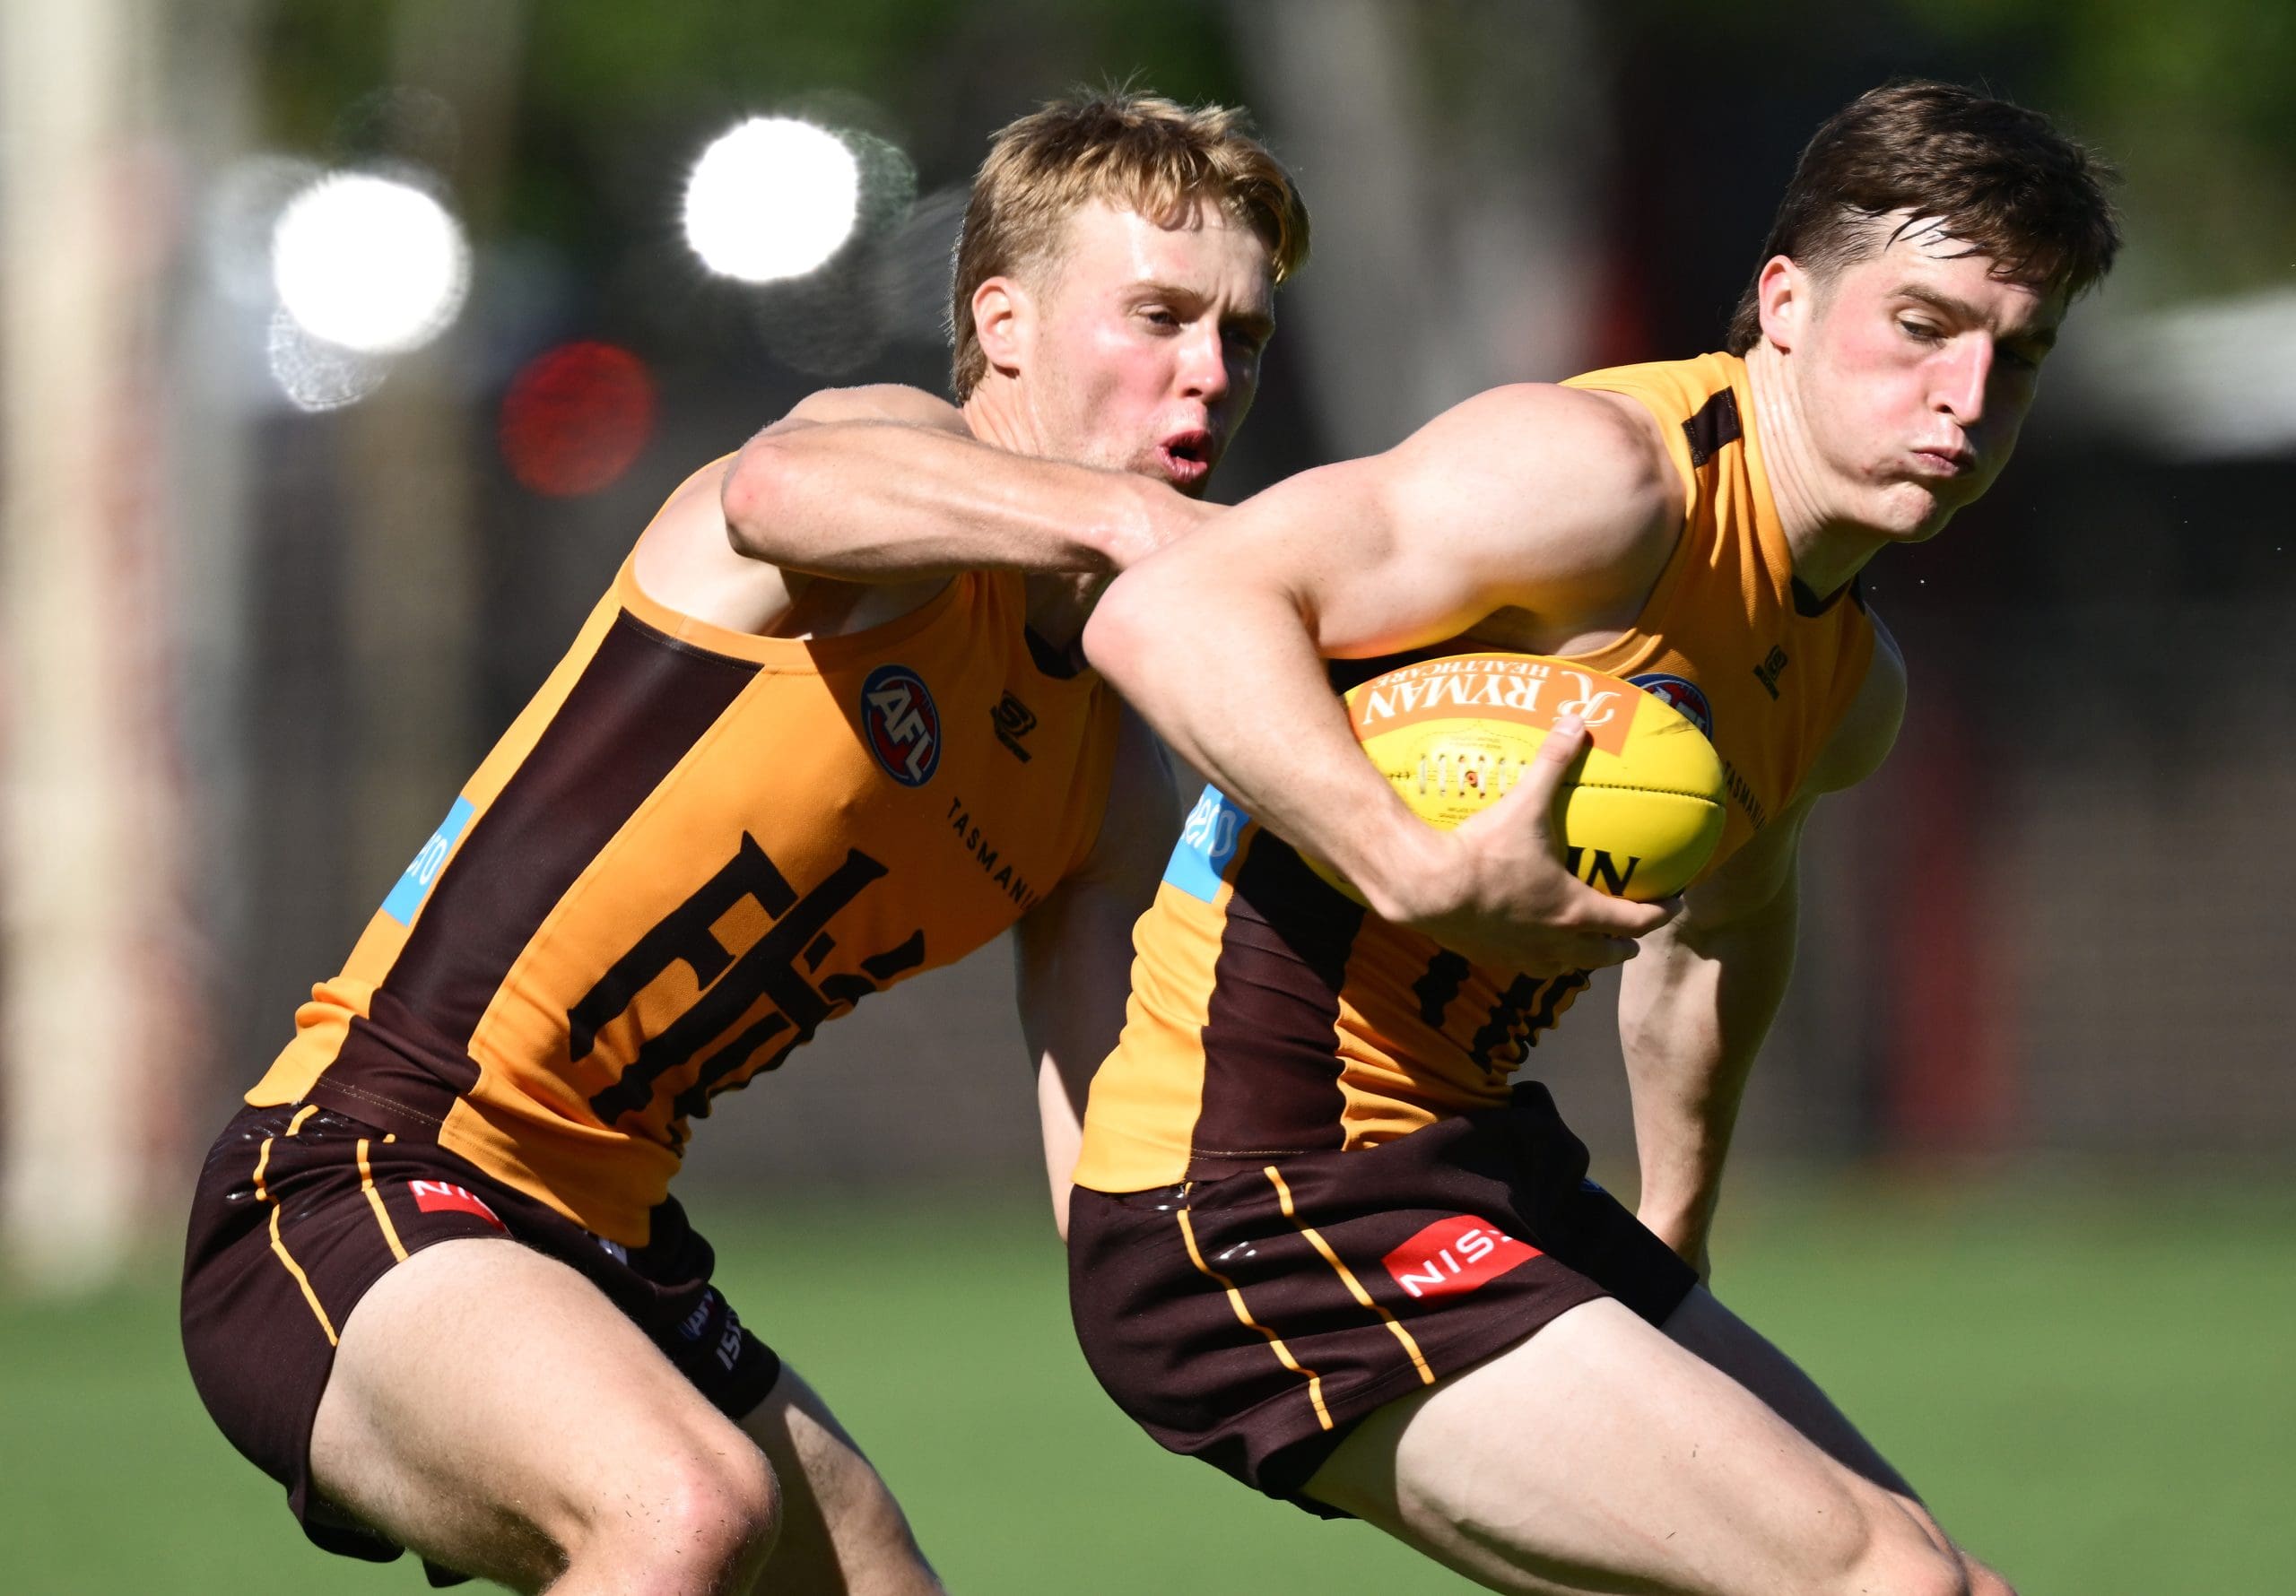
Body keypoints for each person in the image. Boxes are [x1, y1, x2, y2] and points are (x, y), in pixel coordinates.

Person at [180, 91, 1306, 1595]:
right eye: (1158, 315)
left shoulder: (1103, 765)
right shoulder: (885, 465)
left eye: (1242, 334)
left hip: (604, 1238)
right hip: (358, 1172)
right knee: (683, 1510)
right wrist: (1129, 533)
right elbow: (779, 486)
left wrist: (1248, 1330)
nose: (1209, 375)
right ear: (1006, 324)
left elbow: (1120, 1146)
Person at [1068, 82, 2118, 1595]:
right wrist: (1410, 860)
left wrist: (1674, 1228)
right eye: (1921, 325)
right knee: (1879, 1586)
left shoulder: (1842, 685)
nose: (1966, 395)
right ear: (1784, 302)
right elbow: (1169, 606)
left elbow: (1720, 936)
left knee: (1948, 1583)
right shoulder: (1608, 482)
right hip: (1250, 1200)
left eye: (2015, 355)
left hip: (1476, 1168)